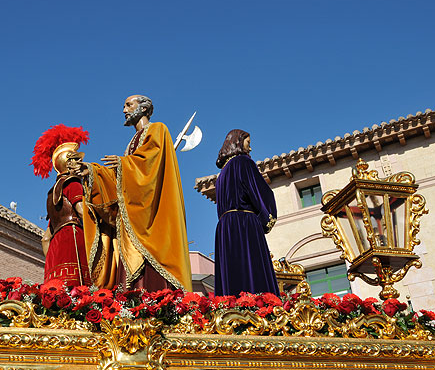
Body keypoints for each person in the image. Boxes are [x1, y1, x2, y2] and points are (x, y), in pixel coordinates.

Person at [78, 95, 192, 291]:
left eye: (128, 105)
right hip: (134, 215)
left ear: (144, 108)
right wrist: (94, 171)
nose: (124, 110)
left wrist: (123, 163)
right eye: (124, 106)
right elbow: (123, 181)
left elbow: (150, 163)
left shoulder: (158, 129)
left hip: (152, 217)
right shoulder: (132, 141)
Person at [214, 129, 279, 296]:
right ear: (238, 142)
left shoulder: (221, 175)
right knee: (253, 270)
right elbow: (259, 191)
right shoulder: (243, 162)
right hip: (244, 223)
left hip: (225, 229)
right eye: (248, 143)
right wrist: (267, 217)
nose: (250, 148)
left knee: (232, 273)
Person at [31, 125, 91, 287]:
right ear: (68, 163)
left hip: (55, 252)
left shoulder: (51, 194)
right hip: (73, 238)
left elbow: (45, 238)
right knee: (79, 292)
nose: (80, 164)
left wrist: (51, 261)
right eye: (77, 160)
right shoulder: (72, 183)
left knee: (56, 291)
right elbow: (81, 210)